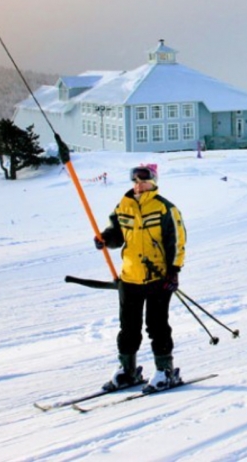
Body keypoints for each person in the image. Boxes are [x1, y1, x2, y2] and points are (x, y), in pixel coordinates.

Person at [95, 164, 187, 392]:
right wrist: (105, 239)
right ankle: (128, 369)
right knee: (128, 327)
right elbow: (116, 235)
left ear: (153, 182)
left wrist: (173, 271)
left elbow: (177, 242)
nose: (139, 185)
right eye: (135, 181)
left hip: (157, 278)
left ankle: (165, 370)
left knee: (156, 326)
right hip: (129, 277)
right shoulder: (122, 206)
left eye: (143, 181)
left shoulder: (165, 208)